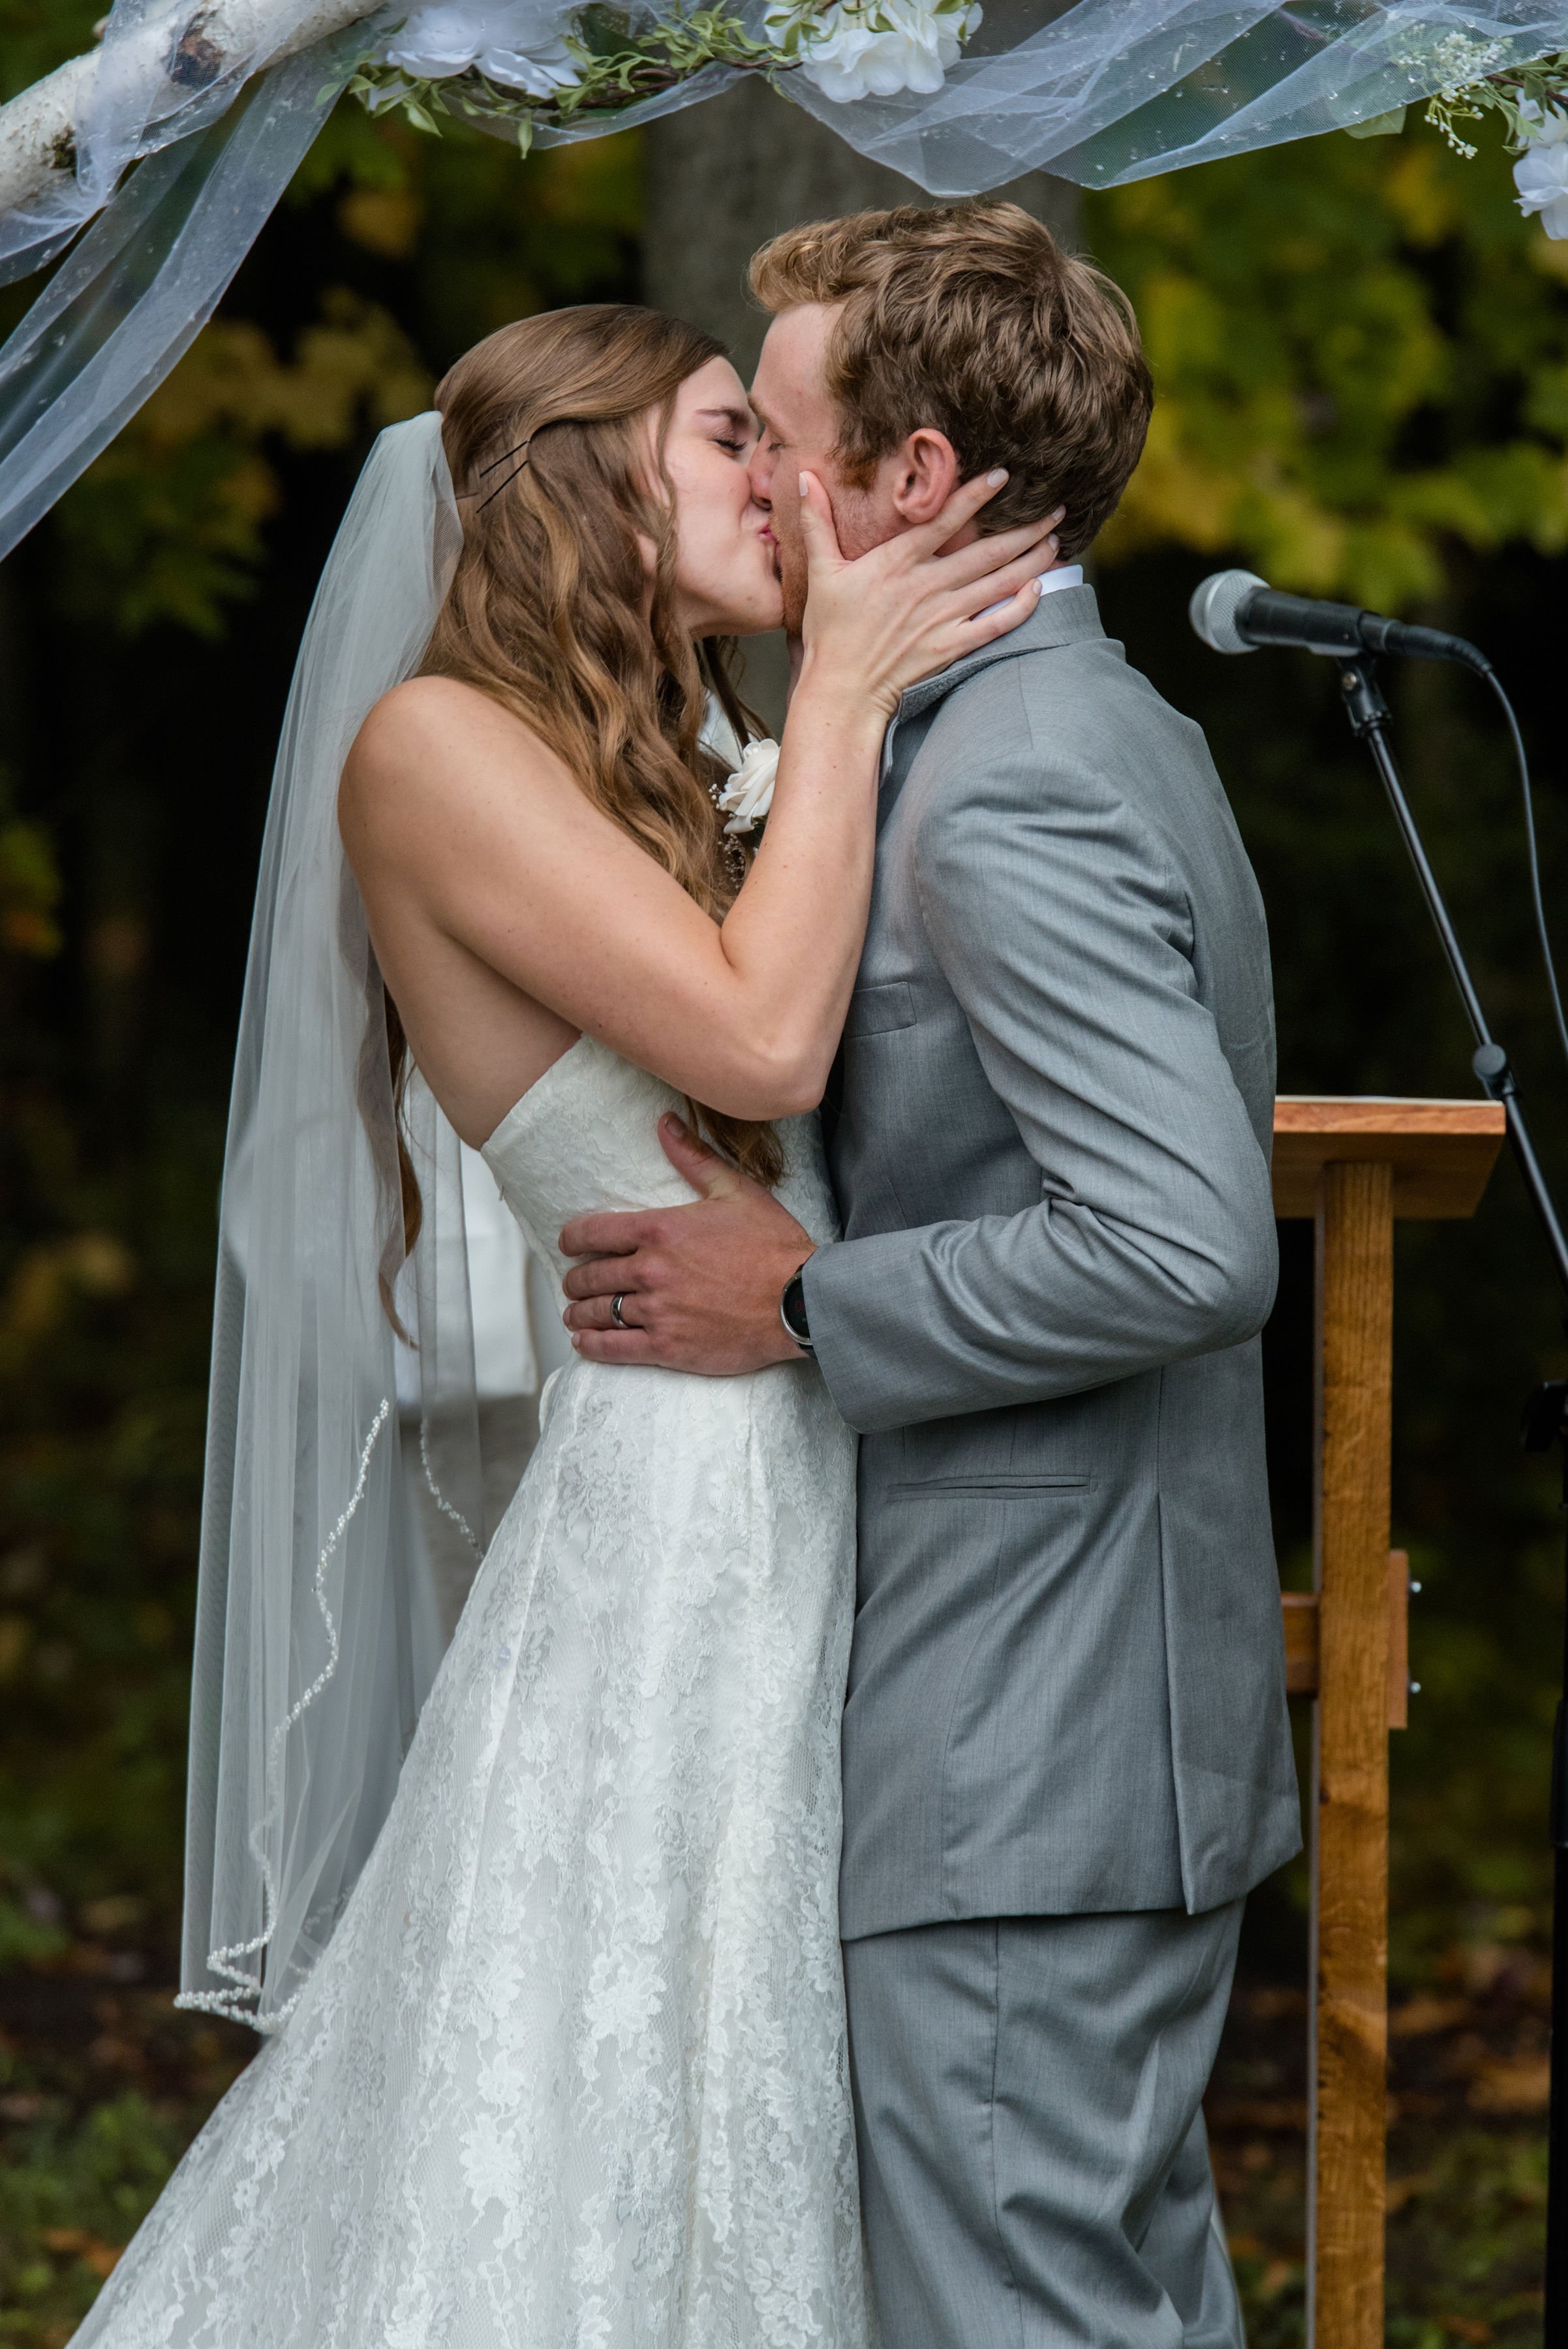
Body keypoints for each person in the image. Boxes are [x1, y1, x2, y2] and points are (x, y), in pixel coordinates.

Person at [70, 304, 1057, 2344]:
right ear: (587, 481)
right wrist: (855, 690)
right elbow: (764, 1041)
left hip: (825, 1422)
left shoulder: (691, 757)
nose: (774, 480)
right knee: (606, 2031)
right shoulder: (433, 749)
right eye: (724, 438)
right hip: (679, 1493)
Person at [559, 204, 1302, 2348]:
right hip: (1082, 1713)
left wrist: (802, 1304)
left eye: (776, 432)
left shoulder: (1005, 787)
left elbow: (1178, 1241)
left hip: (1028, 1725)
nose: (752, 481)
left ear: (912, 480)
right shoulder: (1067, 722)